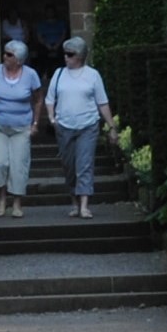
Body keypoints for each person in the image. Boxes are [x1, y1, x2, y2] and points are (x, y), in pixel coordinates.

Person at [45, 37, 113, 218]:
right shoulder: (59, 74)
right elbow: (50, 99)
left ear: (80, 56)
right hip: (64, 126)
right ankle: (74, 202)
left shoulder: (93, 75)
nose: (66, 58)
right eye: (65, 54)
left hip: (88, 125)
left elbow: (102, 102)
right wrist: (52, 119)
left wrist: (111, 125)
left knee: (84, 164)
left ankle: (84, 205)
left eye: (70, 54)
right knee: (68, 166)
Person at [0, 40, 45, 217]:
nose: (4, 56)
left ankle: (17, 203)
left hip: (22, 127)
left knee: (18, 166)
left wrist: (35, 123)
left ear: (19, 60)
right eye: (5, 53)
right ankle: (1, 199)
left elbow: (38, 100)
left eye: (9, 54)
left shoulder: (30, 75)